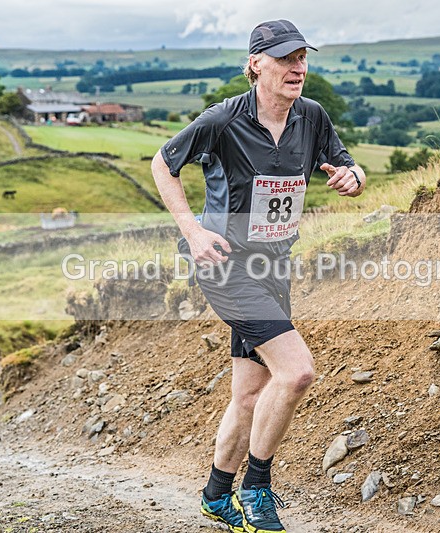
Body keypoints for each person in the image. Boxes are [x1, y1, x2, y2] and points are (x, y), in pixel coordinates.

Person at [151, 19, 365, 533]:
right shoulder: (223, 120)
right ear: (256, 65)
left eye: (302, 58)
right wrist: (194, 231)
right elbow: (163, 163)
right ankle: (257, 489)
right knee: (296, 372)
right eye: (286, 59)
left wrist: (352, 178)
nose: (298, 68)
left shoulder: (311, 117)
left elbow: (347, 167)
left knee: (249, 395)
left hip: (276, 266)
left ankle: (215, 496)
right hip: (225, 265)